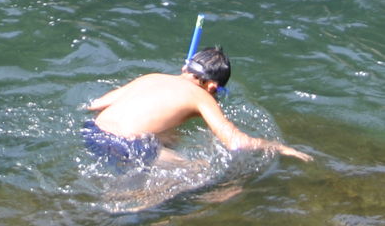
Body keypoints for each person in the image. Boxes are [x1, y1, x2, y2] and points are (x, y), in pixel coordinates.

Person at [84, 46, 312, 166]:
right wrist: (277, 146)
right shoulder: (202, 97)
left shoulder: (151, 77)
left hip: (93, 133)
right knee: (198, 168)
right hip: (126, 146)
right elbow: (236, 142)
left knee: (168, 138)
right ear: (213, 86)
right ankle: (139, 201)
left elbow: (96, 105)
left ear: (186, 69)